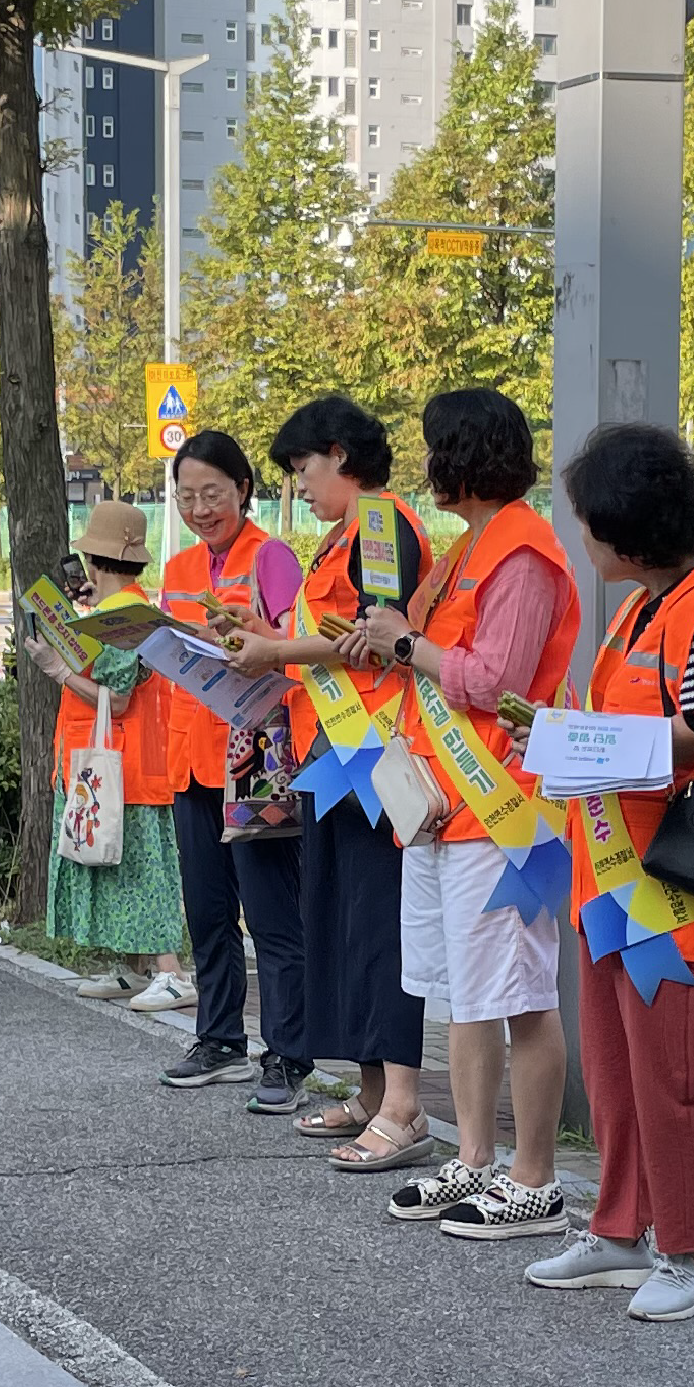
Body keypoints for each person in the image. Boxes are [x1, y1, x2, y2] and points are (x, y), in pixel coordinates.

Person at [541, 422, 694, 1322]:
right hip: (615, 882)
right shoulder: (649, 603)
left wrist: (604, 747)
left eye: (590, 525)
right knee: (615, 1068)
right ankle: (618, 1228)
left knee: (673, 1076)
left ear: (626, 529)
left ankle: (688, 1251)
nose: (585, 541)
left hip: (672, 890)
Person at [353, 386, 580, 1243]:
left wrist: (406, 645)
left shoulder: (521, 552)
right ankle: (475, 1156)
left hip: (501, 806)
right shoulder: (463, 550)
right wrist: (384, 639)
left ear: (467, 455)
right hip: (438, 804)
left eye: (435, 447)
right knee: (463, 996)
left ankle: (535, 1177)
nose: (427, 465)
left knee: (518, 994)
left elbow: (499, 678)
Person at [233, 399, 437, 1173]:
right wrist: (264, 639)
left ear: (341, 454)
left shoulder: (382, 526)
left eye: (304, 469)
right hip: (334, 749)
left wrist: (277, 648)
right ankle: (369, 1090)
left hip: (376, 752)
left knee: (380, 928)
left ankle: (403, 1107)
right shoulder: (338, 539)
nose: (301, 486)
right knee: (344, 925)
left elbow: (377, 644)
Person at [162, 430, 314, 1108]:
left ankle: (287, 1053)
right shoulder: (179, 567)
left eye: (213, 493)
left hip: (256, 753)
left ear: (244, 490)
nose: (200, 508)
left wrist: (256, 637)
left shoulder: (271, 556)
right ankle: (219, 1038)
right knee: (208, 910)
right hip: (191, 757)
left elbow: (299, 651)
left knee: (271, 911)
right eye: (187, 495)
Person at [29, 502, 198, 1035]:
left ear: (94, 560)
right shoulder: (123, 610)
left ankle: (170, 970)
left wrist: (58, 671)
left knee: (142, 866)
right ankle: (132, 967)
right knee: (120, 864)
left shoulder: (124, 619)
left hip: (125, 765)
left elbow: (118, 697)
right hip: (110, 764)